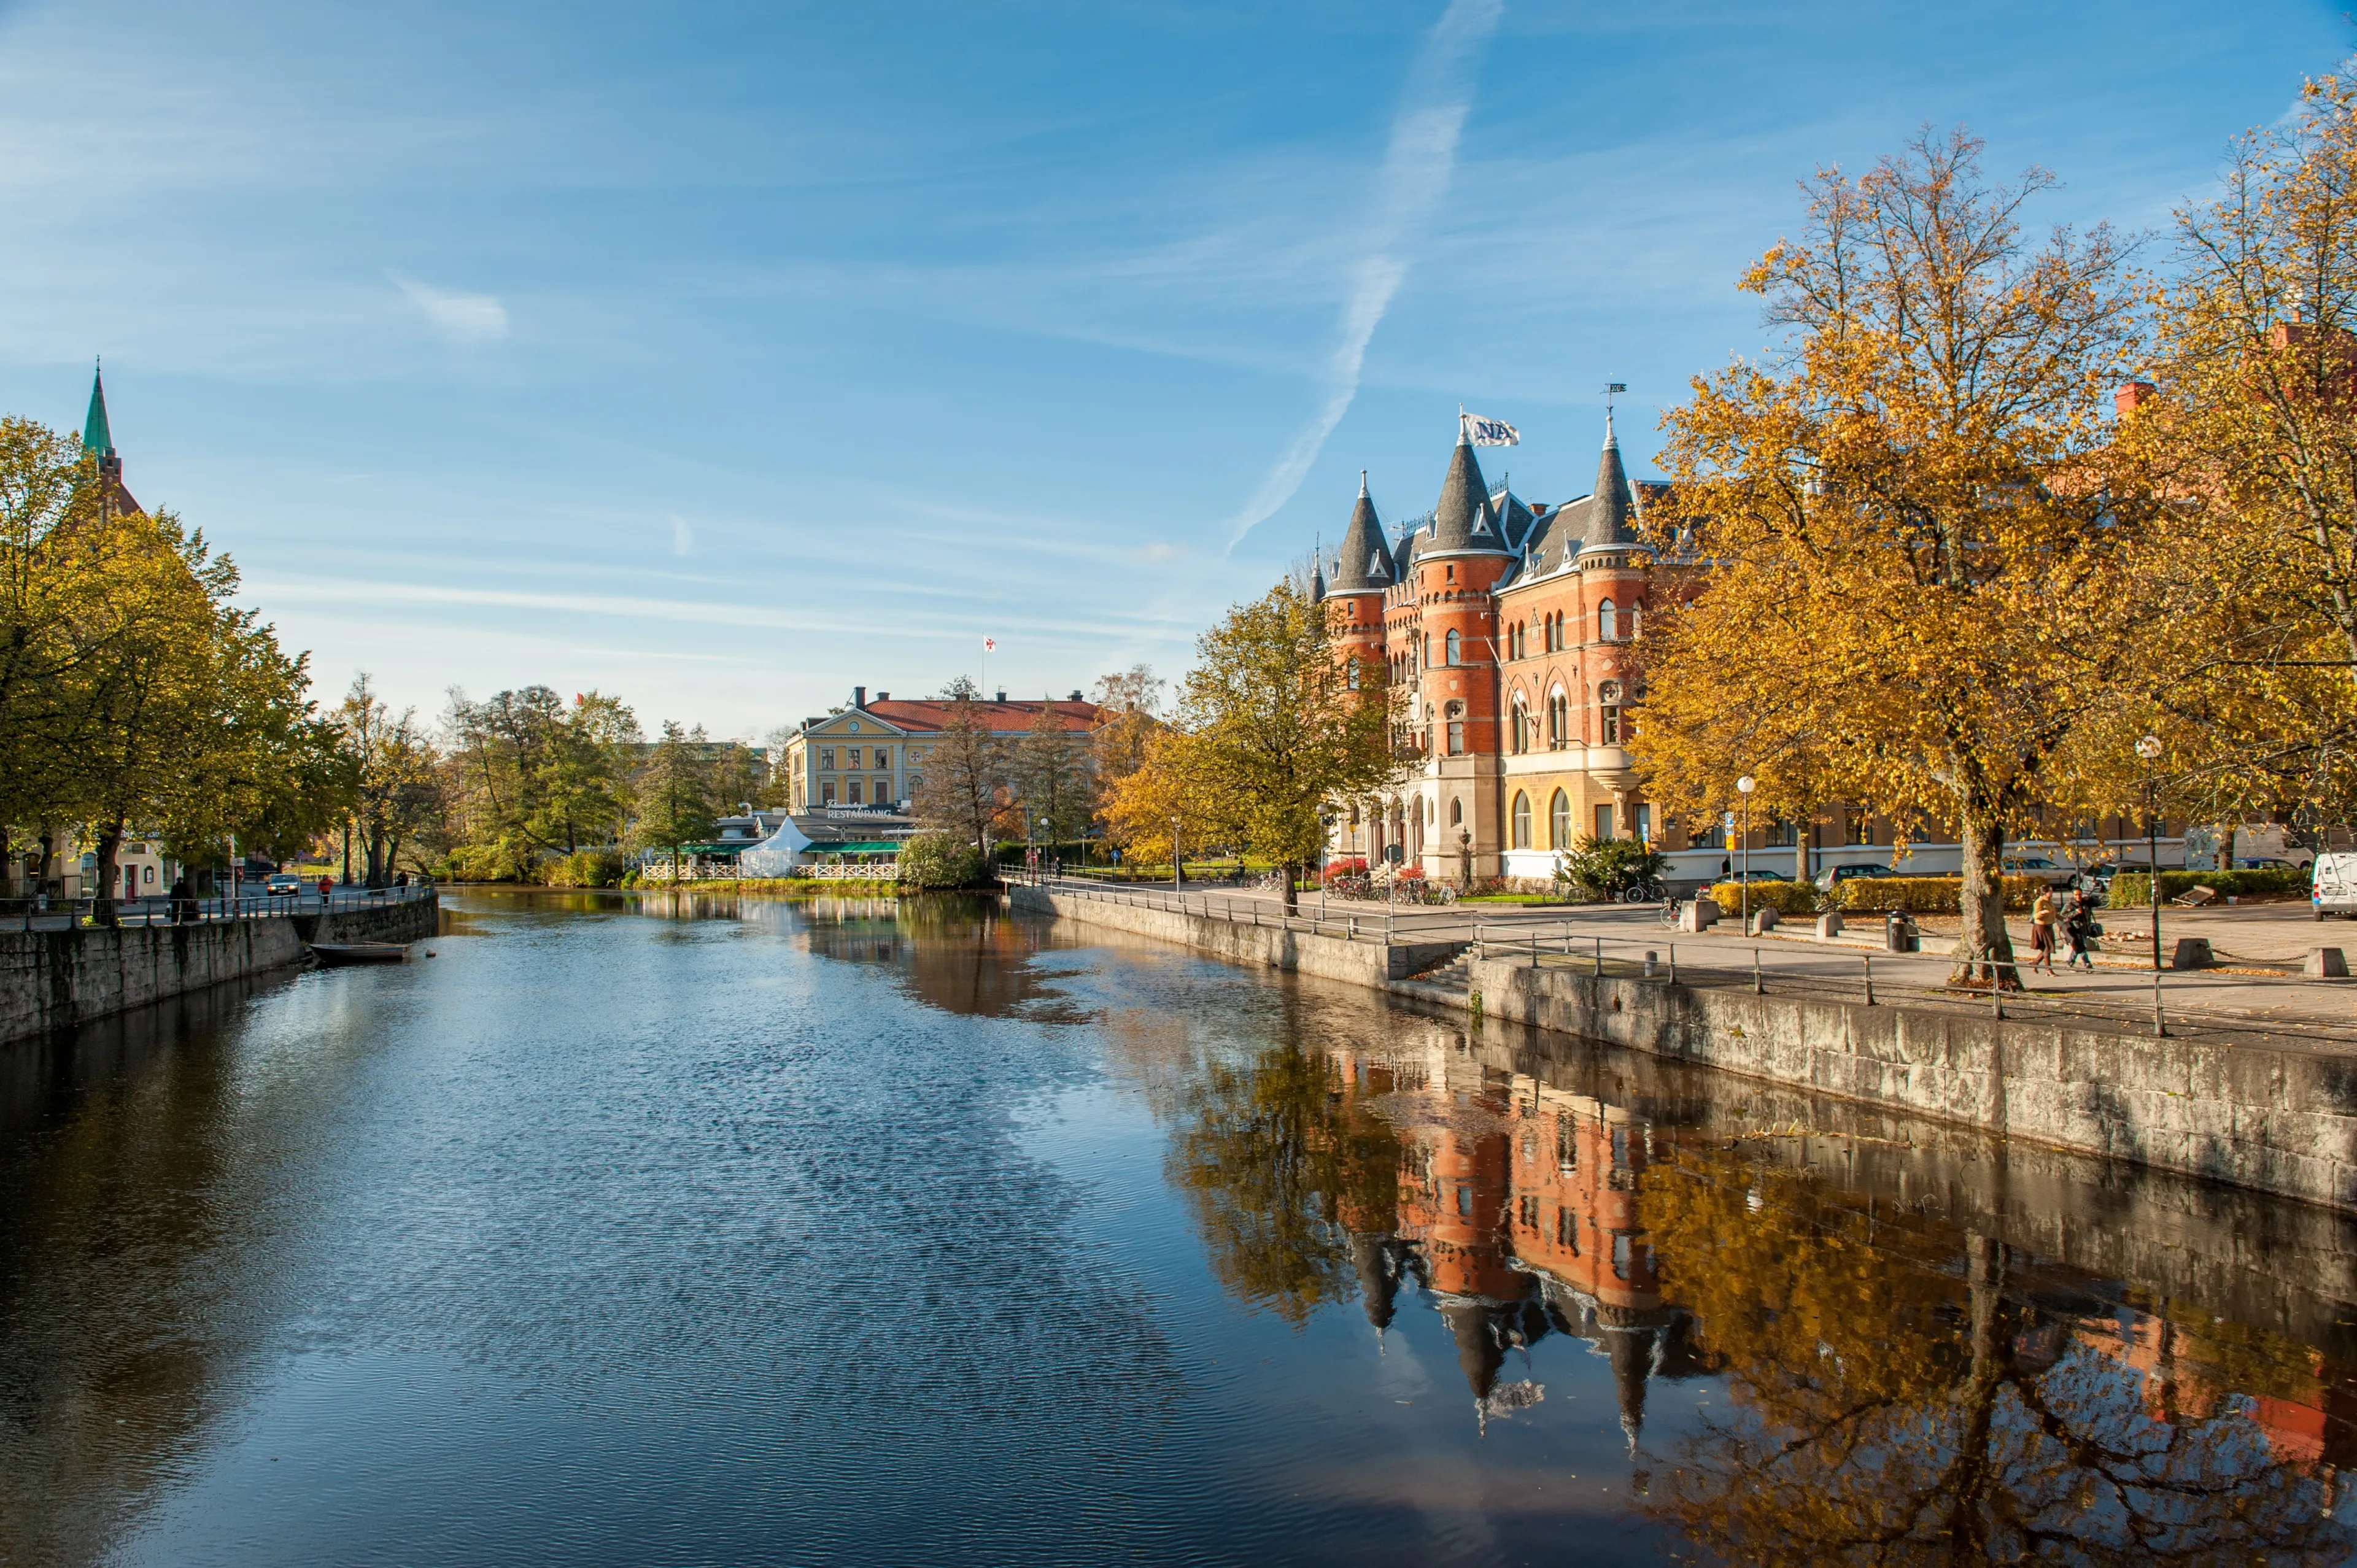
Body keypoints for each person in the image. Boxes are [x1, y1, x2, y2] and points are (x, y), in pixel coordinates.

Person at [2064, 887, 2097, 971]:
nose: (2078, 896)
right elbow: (2063, 916)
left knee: (2078, 947)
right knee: (2082, 946)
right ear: (2073, 895)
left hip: (2086, 928)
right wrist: (2075, 912)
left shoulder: (2085, 902)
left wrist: (2091, 898)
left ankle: (2070, 962)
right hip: (2076, 929)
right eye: (2076, 895)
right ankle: (2087, 963)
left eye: (2079, 894)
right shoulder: (2070, 904)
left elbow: (2098, 903)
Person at [2029, 887, 2059, 975]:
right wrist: (2042, 913)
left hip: (2049, 926)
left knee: (2047, 948)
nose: (2052, 892)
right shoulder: (2039, 902)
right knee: (2047, 947)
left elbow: (2054, 913)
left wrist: (2063, 919)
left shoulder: (2049, 901)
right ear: (2045, 892)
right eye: (2050, 891)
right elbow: (2035, 916)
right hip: (2042, 927)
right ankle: (2048, 970)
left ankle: (2035, 963)